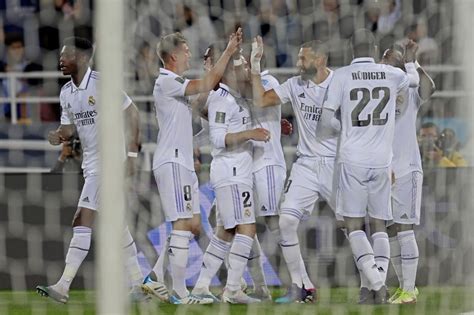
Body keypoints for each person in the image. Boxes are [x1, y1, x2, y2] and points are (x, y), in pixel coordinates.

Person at [36, 37, 145, 303]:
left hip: (110, 165)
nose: (61, 59)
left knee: (81, 219)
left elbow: (133, 114)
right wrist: (59, 135)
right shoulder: (65, 93)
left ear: (83, 58)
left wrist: (131, 155)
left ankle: (62, 286)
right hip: (91, 165)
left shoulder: (102, 83)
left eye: (67, 55)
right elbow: (69, 127)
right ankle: (141, 284)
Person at [142, 30, 242, 304]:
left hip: (182, 161)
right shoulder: (166, 81)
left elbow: (198, 103)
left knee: (192, 224)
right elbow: (208, 83)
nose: (189, 55)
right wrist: (228, 50)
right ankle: (179, 292)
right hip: (172, 161)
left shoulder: (176, 84)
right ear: (173, 56)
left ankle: (154, 277)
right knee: (184, 223)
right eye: (186, 51)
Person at [317, 29, 410, 304]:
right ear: (374, 48)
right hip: (382, 160)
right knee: (380, 224)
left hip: (352, 159)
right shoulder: (393, 75)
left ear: (349, 49)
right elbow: (408, 91)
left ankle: (376, 281)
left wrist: (345, 126)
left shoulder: (341, 76)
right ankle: (376, 283)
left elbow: (324, 123)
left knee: (354, 225)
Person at [251, 36, 337, 303]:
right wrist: (255, 64)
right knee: (286, 222)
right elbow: (261, 100)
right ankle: (301, 287)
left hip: (336, 164)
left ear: (319, 59)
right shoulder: (294, 84)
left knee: (353, 225)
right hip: (306, 165)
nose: (298, 63)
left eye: (303, 58)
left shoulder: (341, 84)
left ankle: (376, 282)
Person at [191, 42, 270, 304]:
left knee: (225, 232)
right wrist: (251, 134)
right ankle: (233, 289)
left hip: (235, 172)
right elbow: (217, 138)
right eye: (237, 64)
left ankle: (201, 287)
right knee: (247, 229)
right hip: (232, 171)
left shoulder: (235, 97)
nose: (241, 67)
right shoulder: (222, 99)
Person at [381, 41, 436, 304]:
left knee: (404, 230)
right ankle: (404, 287)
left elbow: (430, 88)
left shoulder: (410, 88)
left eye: (391, 59)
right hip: (383, 173)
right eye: (384, 59)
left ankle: (410, 289)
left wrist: (412, 61)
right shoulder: (378, 92)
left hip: (407, 169)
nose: (385, 62)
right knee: (390, 231)